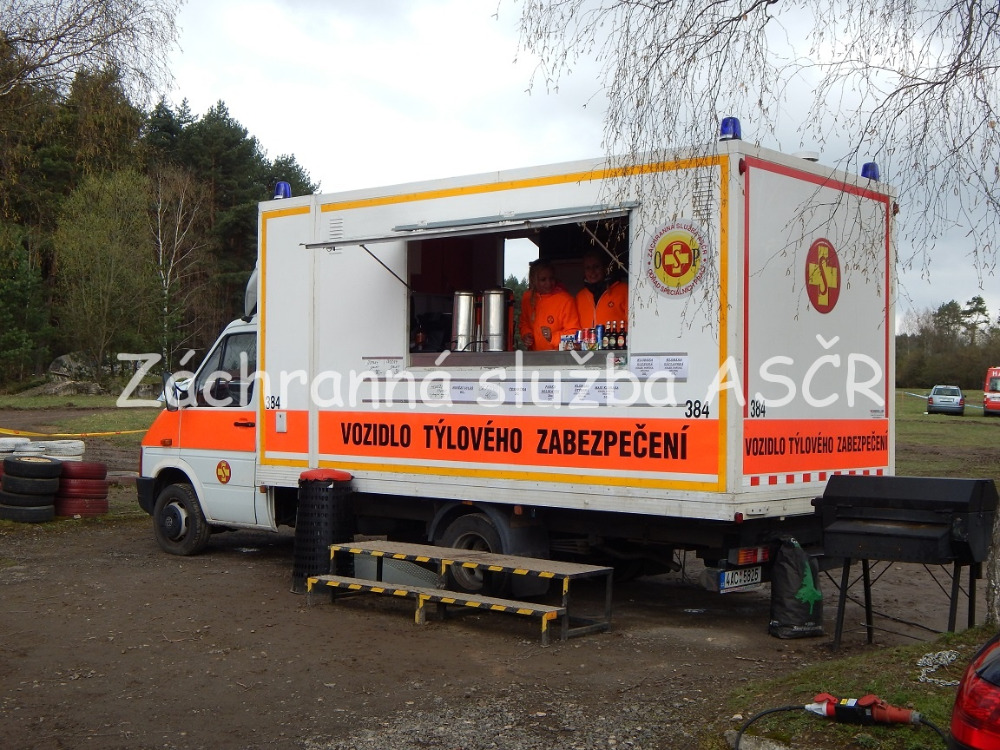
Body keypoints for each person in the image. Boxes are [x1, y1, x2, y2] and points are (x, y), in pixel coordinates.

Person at [519, 260, 580, 350]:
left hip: (558, 356)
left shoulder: (566, 300)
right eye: (543, 280)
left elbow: (574, 333)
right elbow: (524, 323)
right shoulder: (527, 298)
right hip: (534, 356)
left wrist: (553, 337)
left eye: (551, 278)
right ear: (533, 280)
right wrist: (526, 334)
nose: (548, 283)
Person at [575, 249, 628, 329]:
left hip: (619, 337)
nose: (592, 271)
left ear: (604, 267)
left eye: (596, 266)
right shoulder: (580, 297)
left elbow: (635, 322)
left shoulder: (623, 290)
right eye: (588, 268)